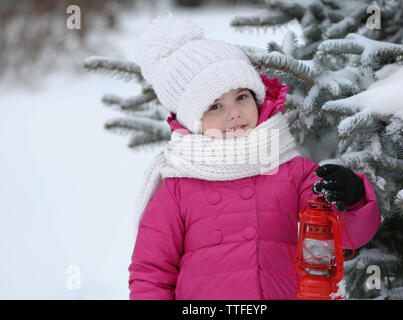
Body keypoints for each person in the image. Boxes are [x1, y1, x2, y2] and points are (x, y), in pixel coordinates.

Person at [128, 14, 381, 300]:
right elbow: (151, 273)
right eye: (215, 106)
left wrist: (354, 198)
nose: (234, 112)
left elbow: (341, 234)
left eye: (241, 97)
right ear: (193, 122)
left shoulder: (290, 169)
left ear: (257, 97)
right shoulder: (177, 187)